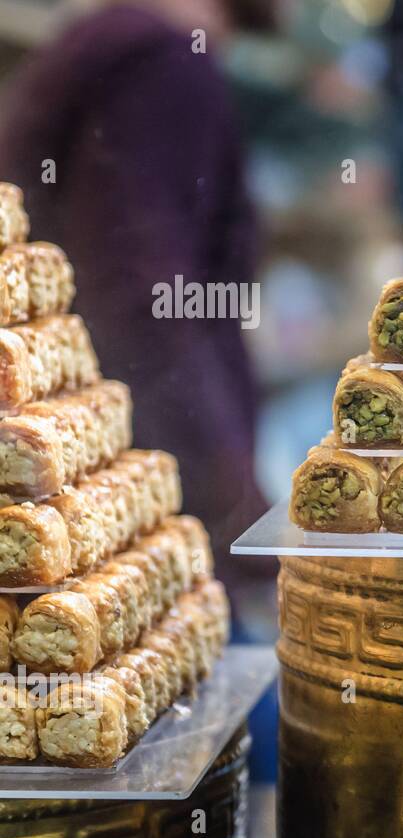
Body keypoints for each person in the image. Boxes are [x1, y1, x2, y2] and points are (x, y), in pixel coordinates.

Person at [0, 0, 278, 602]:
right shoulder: (161, 64)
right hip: (120, 513)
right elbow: (145, 293)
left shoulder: (119, 50)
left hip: (91, 494)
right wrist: (227, 491)